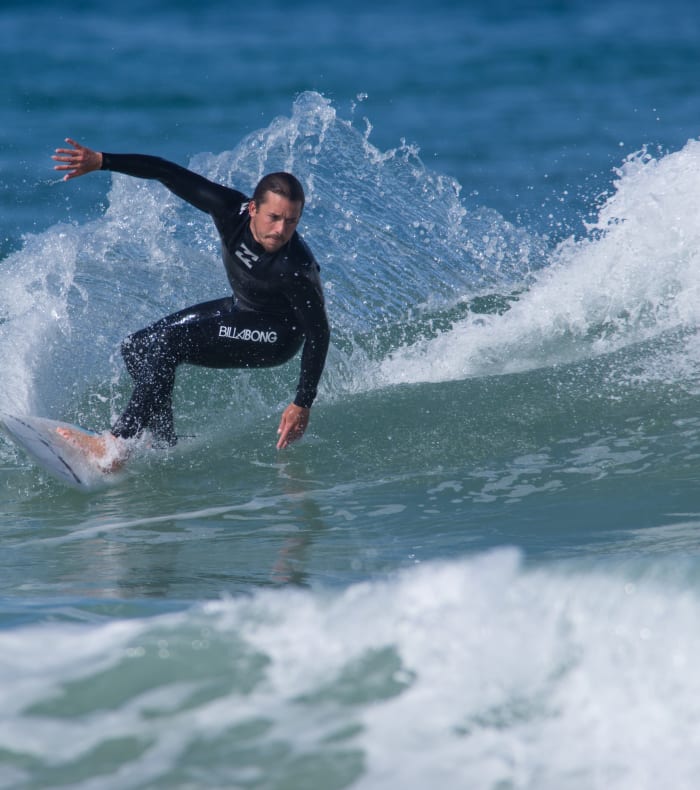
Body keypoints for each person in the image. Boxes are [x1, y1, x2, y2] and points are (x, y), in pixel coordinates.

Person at [51, 138, 330, 462]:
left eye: (292, 221)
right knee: (139, 346)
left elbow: (319, 333)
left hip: (276, 336)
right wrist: (101, 160)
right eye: (274, 217)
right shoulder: (229, 210)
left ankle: (115, 445)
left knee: (169, 342)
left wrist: (302, 403)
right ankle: (163, 442)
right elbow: (166, 172)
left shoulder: (296, 268)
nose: (282, 230)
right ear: (253, 208)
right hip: (243, 309)